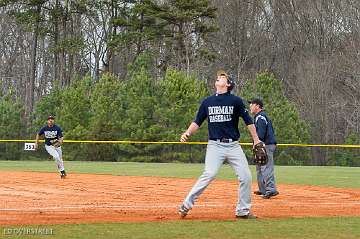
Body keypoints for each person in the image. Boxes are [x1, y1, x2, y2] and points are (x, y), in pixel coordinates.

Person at [178, 70, 261, 219]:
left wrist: (256, 140)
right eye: (218, 77)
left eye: (223, 77)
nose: (219, 78)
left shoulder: (236, 101)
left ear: (228, 84)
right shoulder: (207, 102)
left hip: (233, 146)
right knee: (209, 173)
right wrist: (187, 133)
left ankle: (242, 211)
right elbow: (197, 121)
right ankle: (186, 204)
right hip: (215, 146)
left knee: (246, 176)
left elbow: (248, 121)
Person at [249, 98, 279, 199]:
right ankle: (263, 189)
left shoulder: (261, 117)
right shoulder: (259, 117)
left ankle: (271, 190)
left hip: (265, 145)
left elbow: (261, 133)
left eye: (252, 104)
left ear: (257, 106)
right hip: (262, 144)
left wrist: (257, 143)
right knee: (259, 168)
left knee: (266, 167)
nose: (250, 106)